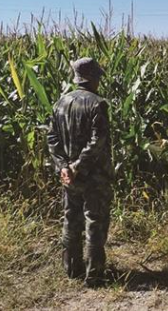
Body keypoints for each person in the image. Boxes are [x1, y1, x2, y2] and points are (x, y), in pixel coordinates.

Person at [47, 57, 114, 287]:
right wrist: (77, 166)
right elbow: (98, 141)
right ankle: (95, 275)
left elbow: (52, 139)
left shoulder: (60, 103)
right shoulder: (97, 104)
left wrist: (63, 167)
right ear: (92, 78)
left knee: (71, 219)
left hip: (70, 177)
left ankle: (72, 269)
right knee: (95, 222)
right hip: (94, 176)